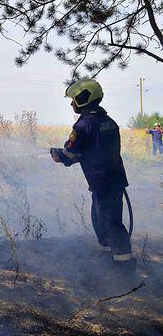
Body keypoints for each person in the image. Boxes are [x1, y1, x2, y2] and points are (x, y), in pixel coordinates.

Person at [50, 79, 134, 269]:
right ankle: (110, 259)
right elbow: (94, 149)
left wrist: (59, 155)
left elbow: (70, 155)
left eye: (73, 100)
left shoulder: (84, 125)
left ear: (84, 98)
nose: (72, 103)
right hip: (112, 179)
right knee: (101, 221)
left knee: (110, 223)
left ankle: (124, 270)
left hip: (103, 181)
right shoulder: (108, 121)